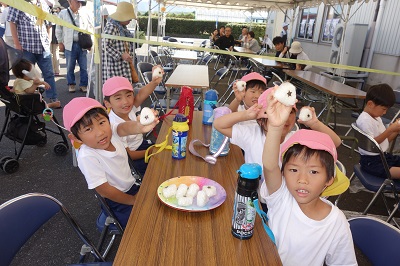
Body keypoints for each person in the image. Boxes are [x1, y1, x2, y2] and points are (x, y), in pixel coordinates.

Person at [260, 89, 356, 265]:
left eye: (313, 172)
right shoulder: (281, 197)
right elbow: (270, 165)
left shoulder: (336, 223)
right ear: (283, 172)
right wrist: (275, 126)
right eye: (293, 170)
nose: (302, 179)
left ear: (329, 179)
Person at [63, 97, 159, 228]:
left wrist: (139, 126)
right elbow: (105, 190)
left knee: (159, 204)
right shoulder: (87, 157)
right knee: (144, 225)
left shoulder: (111, 132)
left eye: (102, 122)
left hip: (132, 185)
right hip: (117, 200)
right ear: (75, 137)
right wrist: (133, 200)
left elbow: (124, 128)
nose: (100, 132)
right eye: (88, 129)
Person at [214, 86, 341, 184]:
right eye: (276, 111)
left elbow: (335, 143)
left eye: (290, 112)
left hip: (284, 199)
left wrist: (315, 123)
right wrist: (246, 115)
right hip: (254, 195)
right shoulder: (252, 133)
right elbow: (219, 124)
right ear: (262, 115)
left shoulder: (297, 138)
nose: (284, 118)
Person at [102, 74, 163, 177]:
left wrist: (154, 82)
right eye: (118, 98)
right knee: (154, 173)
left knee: (165, 155)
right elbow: (129, 155)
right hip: (133, 158)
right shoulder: (113, 125)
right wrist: (151, 151)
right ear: (108, 103)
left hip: (142, 144)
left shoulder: (129, 109)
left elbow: (141, 95)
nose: (125, 101)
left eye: (129, 95)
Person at [8, 0, 59, 105]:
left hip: (43, 47)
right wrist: (17, 44)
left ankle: (52, 97)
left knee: (49, 73)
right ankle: (26, 100)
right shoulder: (19, 3)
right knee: (26, 76)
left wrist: (48, 41)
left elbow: (49, 24)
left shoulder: (43, 4)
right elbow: (12, 23)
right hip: (26, 47)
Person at [356, 84, 400, 179]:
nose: (384, 113)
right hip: (371, 163)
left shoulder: (375, 117)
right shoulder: (365, 121)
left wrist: (395, 131)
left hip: (382, 157)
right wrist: (389, 130)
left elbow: (385, 140)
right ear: (370, 104)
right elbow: (373, 144)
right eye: (383, 109)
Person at [56, 0, 91, 93]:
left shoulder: (84, 13)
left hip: (82, 44)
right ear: (70, 1)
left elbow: (88, 28)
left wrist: (89, 43)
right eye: (77, 2)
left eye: (80, 2)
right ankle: (71, 84)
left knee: (84, 67)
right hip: (69, 44)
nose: (79, 4)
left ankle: (84, 84)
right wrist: (60, 42)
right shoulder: (63, 13)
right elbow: (58, 28)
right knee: (70, 66)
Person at [102, 1, 137, 84]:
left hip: (121, 67)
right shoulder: (112, 27)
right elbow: (104, 45)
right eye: (129, 18)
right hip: (114, 69)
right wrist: (120, 55)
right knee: (117, 92)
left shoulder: (122, 28)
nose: (131, 20)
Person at [50, 5, 61, 76]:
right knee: (56, 53)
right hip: (56, 35)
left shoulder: (47, 15)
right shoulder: (58, 16)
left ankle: (52, 70)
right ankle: (57, 70)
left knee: (50, 53)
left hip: (49, 34)